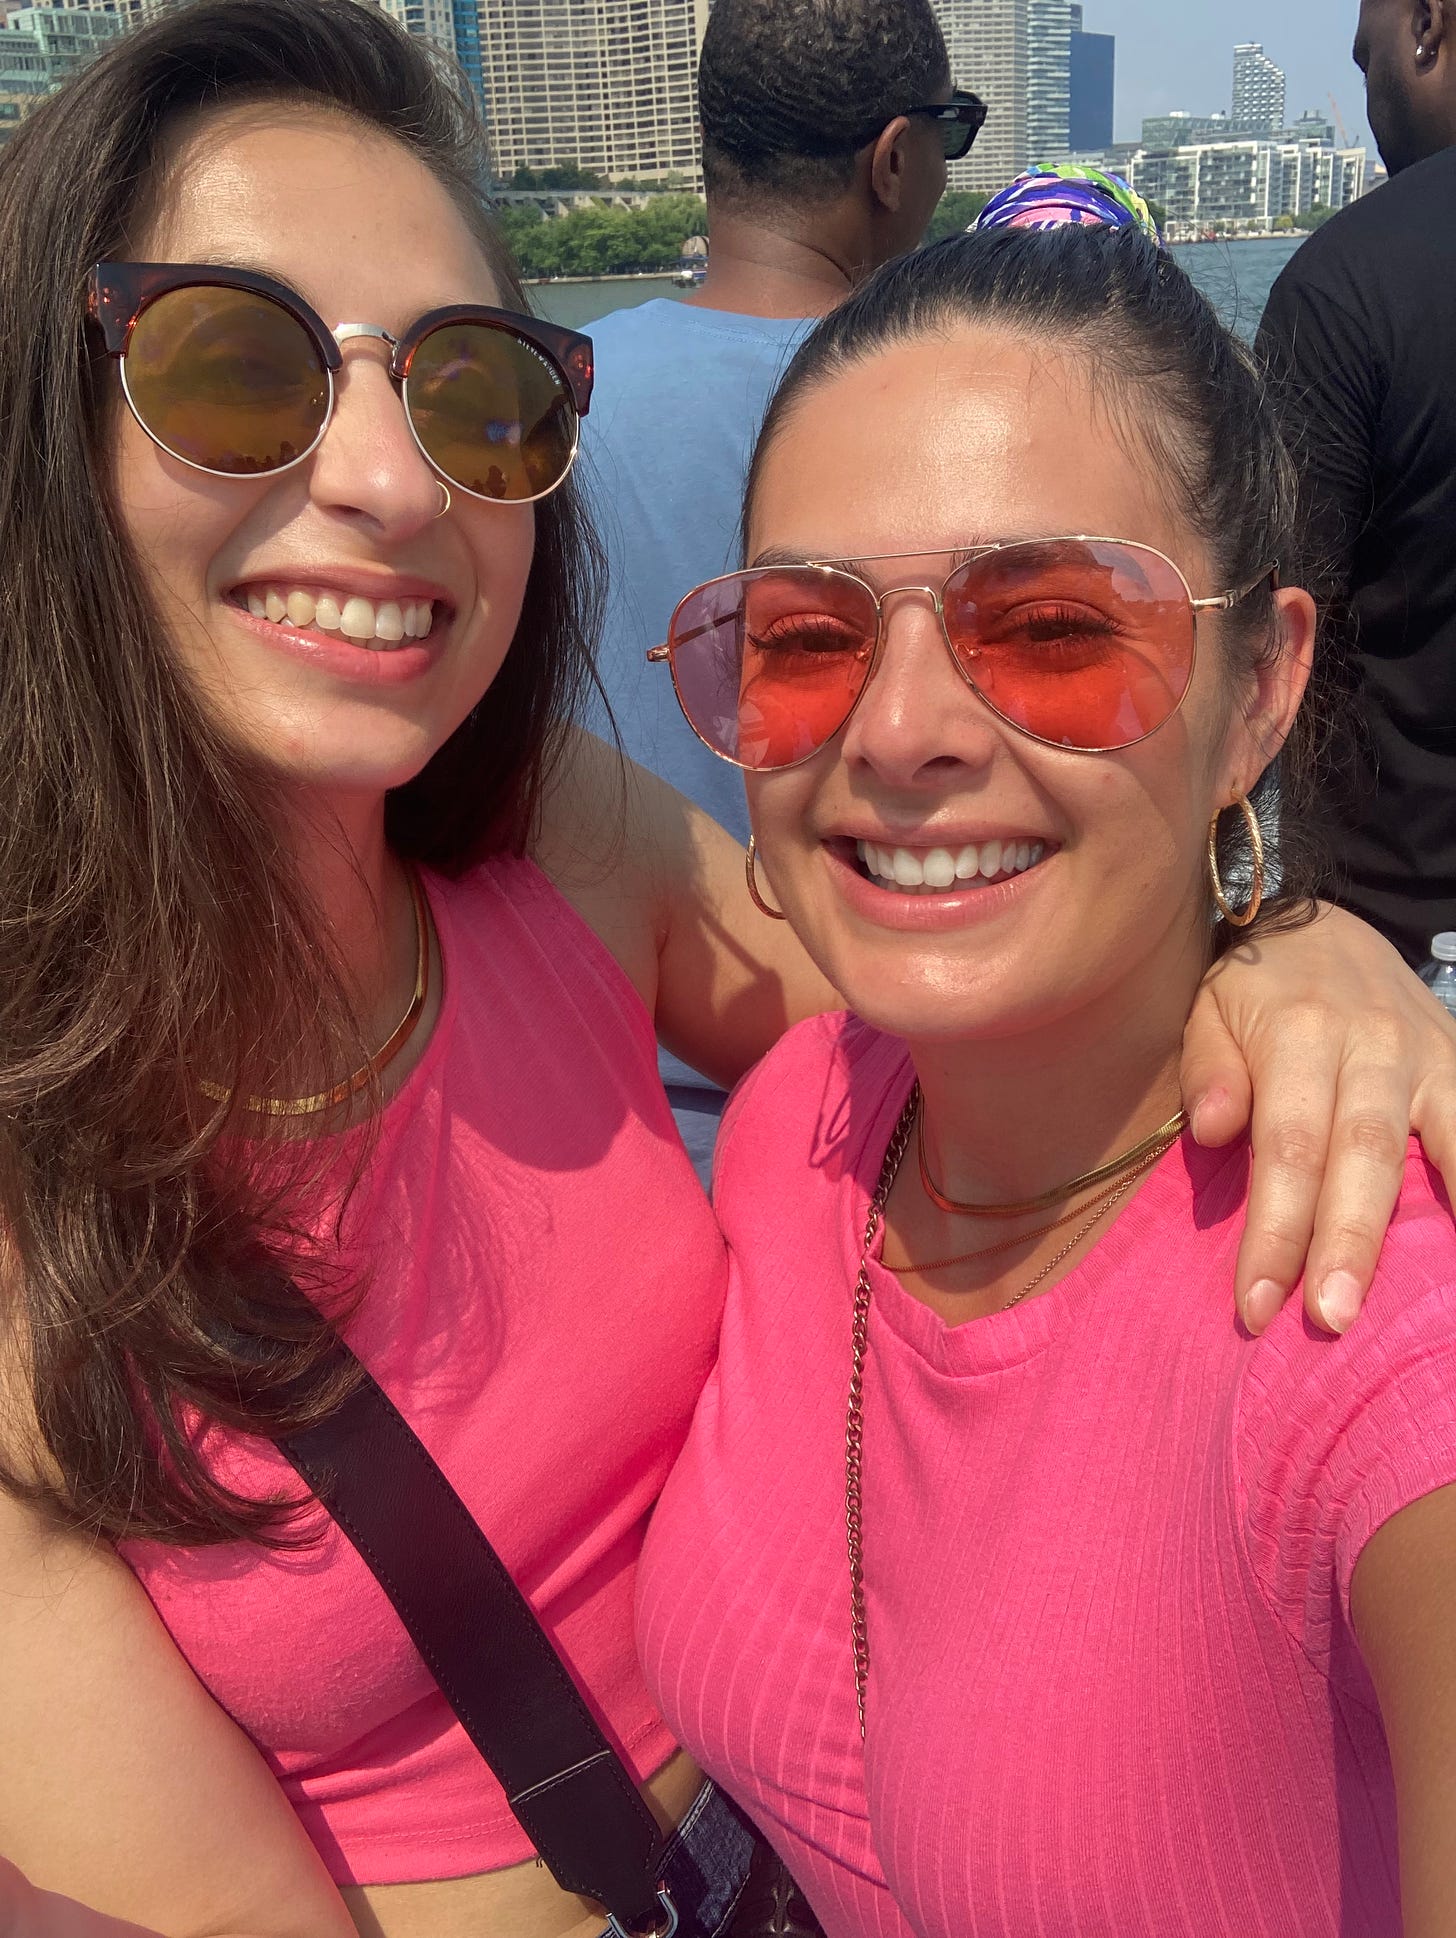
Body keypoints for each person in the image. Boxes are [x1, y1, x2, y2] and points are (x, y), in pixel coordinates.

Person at [1, 10, 1454, 1936]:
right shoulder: (37, 1198)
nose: (391, 482)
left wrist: (1291, 949)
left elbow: (966, 963)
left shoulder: (549, 849)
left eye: (475, 394)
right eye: (232, 366)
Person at [639, 207, 1456, 1936]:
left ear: (1261, 690)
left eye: (1056, 626)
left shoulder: (1364, 1296)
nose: (899, 726)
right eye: (802, 637)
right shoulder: (804, 1119)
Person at [580, 0, 981, 1176]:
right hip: (909, 1125)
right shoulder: (975, 417)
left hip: (610, 1126)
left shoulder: (550, 406)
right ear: (895, 157)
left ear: (712, 148)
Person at [1257, 0, 1456, 967]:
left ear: (1427, 25)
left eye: (1366, 49)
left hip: (1397, 948)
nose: (1364, 78)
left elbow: (1276, 643)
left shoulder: (1343, 289)